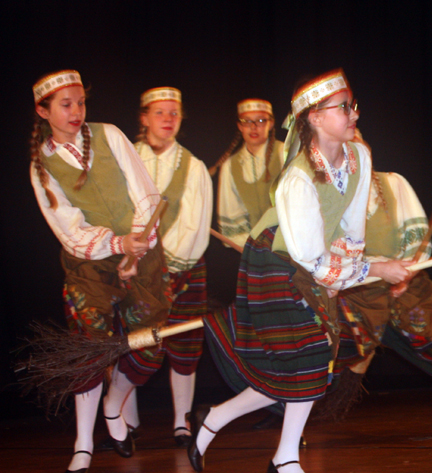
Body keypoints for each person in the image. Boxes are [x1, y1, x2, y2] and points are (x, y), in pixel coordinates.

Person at [187, 69, 410, 473]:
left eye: (352, 104)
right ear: (314, 117)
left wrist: (369, 263)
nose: (354, 114)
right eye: (344, 107)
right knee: (307, 356)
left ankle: (228, 425)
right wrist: (377, 269)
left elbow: (351, 231)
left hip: (314, 258)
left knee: (301, 363)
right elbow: (315, 262)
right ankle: (280, 455)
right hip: (273, 262)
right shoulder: (296, 179)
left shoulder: (360, 156)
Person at [30, 70, 173, 473]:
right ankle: (83, 443)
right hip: (88, 266)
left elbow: (145, 191)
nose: (76, 111)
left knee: (149, 346)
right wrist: (116, 245)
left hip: (142, 252)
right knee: (88, 352)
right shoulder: (41, 165)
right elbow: (68, 228)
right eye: (65, 104)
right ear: (43, 111)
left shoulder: (108, 134)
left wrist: (138, 243)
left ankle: (115, 405)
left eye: (81, 102)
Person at [331, 170, 432, 435]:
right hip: (359, 286)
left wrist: (407, 274)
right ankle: (296, 422)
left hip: (407, 279)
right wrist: (374, 271)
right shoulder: (328, 191)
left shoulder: (394, 183)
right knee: (328, 354)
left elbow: (417, 237)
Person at [134, 87, 212, 446]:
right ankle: (125, 420)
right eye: (160, 113)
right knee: (131, 342)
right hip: (133, 269)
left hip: (182, 269)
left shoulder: (194, 167)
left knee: (183, 342)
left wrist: (168, 269)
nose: (167, 120)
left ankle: (182, 420)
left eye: (174, 113)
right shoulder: (127, 160)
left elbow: (195, 225)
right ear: (144, 118)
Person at [211, 99, 284, 249]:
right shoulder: (230, 166)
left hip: (291, 247)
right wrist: (253, 247)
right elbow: (231, 212)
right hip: (254, 251)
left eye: (261, 121)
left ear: (270, 124)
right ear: (239, 126)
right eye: (247, 121)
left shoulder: (285, 153)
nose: (253, 127)